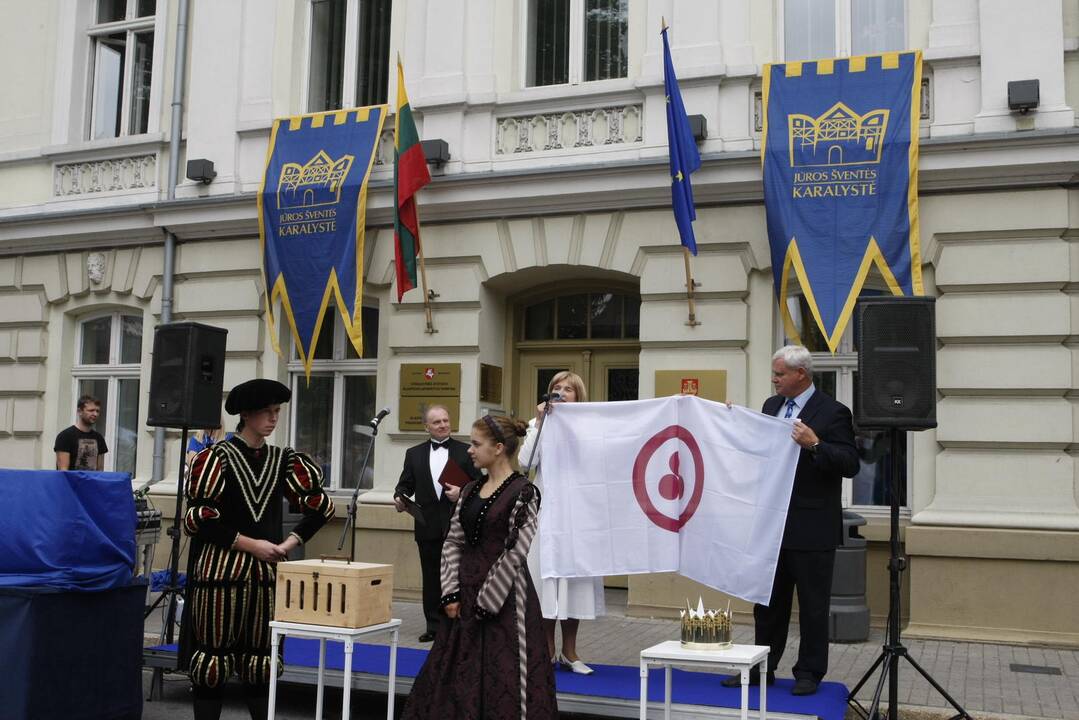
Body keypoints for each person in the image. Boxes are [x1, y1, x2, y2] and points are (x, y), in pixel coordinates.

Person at [178, 379, 335, 720]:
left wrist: (288, 544)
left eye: (277, 411)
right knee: (211, 665)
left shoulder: (283, 459)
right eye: (267, 411)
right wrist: (254, 546)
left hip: (264, 578)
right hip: (219, 574)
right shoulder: (215, 458)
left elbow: (321, 507)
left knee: (261, 664)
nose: (274, 418)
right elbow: (202, 520)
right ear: (246, 415)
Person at [401, 415, 557, 720]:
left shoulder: (524, 492)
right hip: (462, 599)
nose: (469, 450)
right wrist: (450, 594)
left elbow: (515, 552)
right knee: (451, 678)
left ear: (498, 448)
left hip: (506, 602)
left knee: (506, 679)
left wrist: (485, 603)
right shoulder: (470, 489)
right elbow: (453, 541)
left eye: (476, 444)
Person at [722, 345, 858, 696]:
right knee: (767, 604)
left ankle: (809, 672)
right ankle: (761, 668)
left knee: (813, 607)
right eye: (774, 373)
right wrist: (732, 423)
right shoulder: (771, 407)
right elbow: (757, 449)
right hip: (771, 526)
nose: (774, 379)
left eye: (779, 374)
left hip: (812, 528)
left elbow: (849, 463)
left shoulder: (834, 412)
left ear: (801, 374)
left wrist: (815, 445)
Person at [519, 370, 604, 674]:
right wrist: (539, 423)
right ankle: (546, 649)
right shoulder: (538, 425)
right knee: (546, 582)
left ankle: (570, 651)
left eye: (569, 389)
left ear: (578, 396)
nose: (562, 392)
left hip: (579, 515)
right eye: (557, 387)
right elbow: (525, 463)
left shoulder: (591, 426)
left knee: (575, 584)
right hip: (547, 516)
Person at [394, 404, 481, 642]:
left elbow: (482, 485)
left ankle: (460, 624)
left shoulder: (467, 451)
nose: (443, 425)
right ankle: (434, 626)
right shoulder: (414, 454)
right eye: (436, 422)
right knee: (431, 578)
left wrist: (462, 491)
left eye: (445, 420)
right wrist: (399, 498)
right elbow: (405, 485)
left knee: (460, 576)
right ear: (426, 427)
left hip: (459, 526)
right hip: (427, 525)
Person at [54, 394, 108, 471]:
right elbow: (63, 471)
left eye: (97, 411)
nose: (95, 414)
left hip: (91, 482)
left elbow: (100, 470)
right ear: (79, 411)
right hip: (71, 482)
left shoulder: (99, 438)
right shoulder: (65, 436)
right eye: (91, 410)